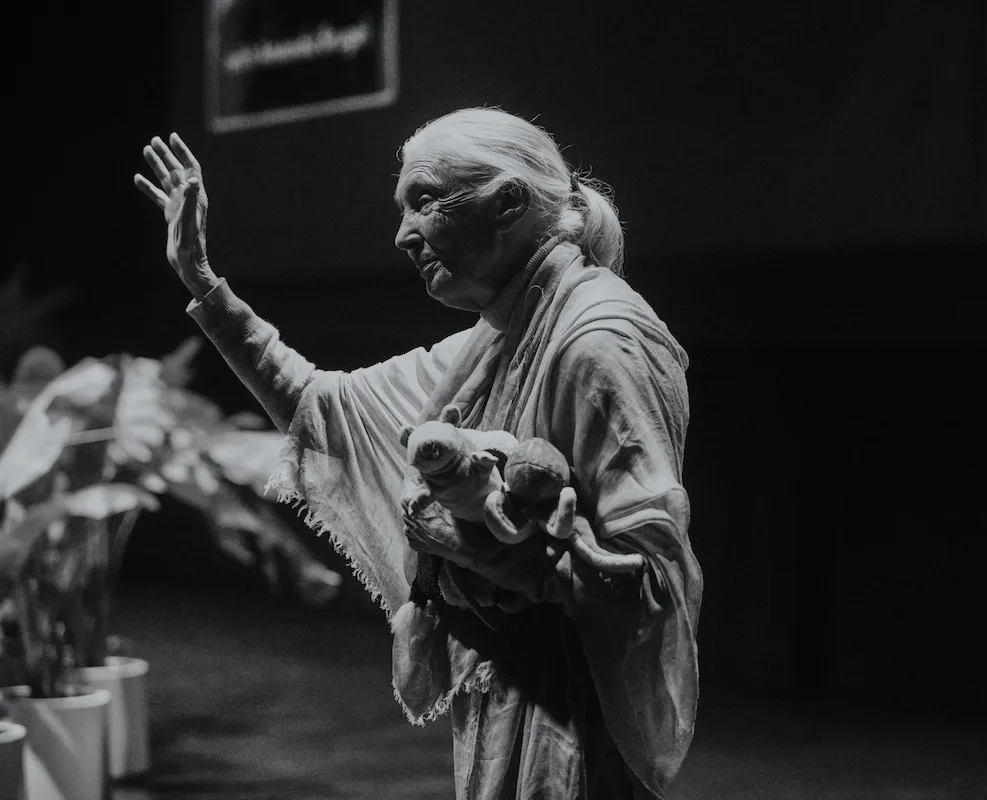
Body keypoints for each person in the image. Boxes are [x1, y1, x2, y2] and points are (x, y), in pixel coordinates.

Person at [133, 108, 702, 799]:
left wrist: (484, 544)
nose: (403, 235)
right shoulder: (498, 338)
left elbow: (650, 585)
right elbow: (324, 405)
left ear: (509, 201)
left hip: (572, 725)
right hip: (514, 695)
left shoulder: (596, 340)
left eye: (424, 202)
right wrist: (202, 281)